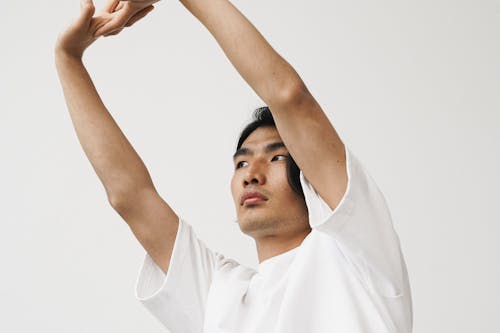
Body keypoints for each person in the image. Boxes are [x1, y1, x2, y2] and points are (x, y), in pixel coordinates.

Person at [55, 0, 413, 332]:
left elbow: (289, 97)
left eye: (276, 157)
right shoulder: (220, 294)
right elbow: (129, 195)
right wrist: (68, 60)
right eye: (241, 162)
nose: (252, 175)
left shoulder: (356, 251)